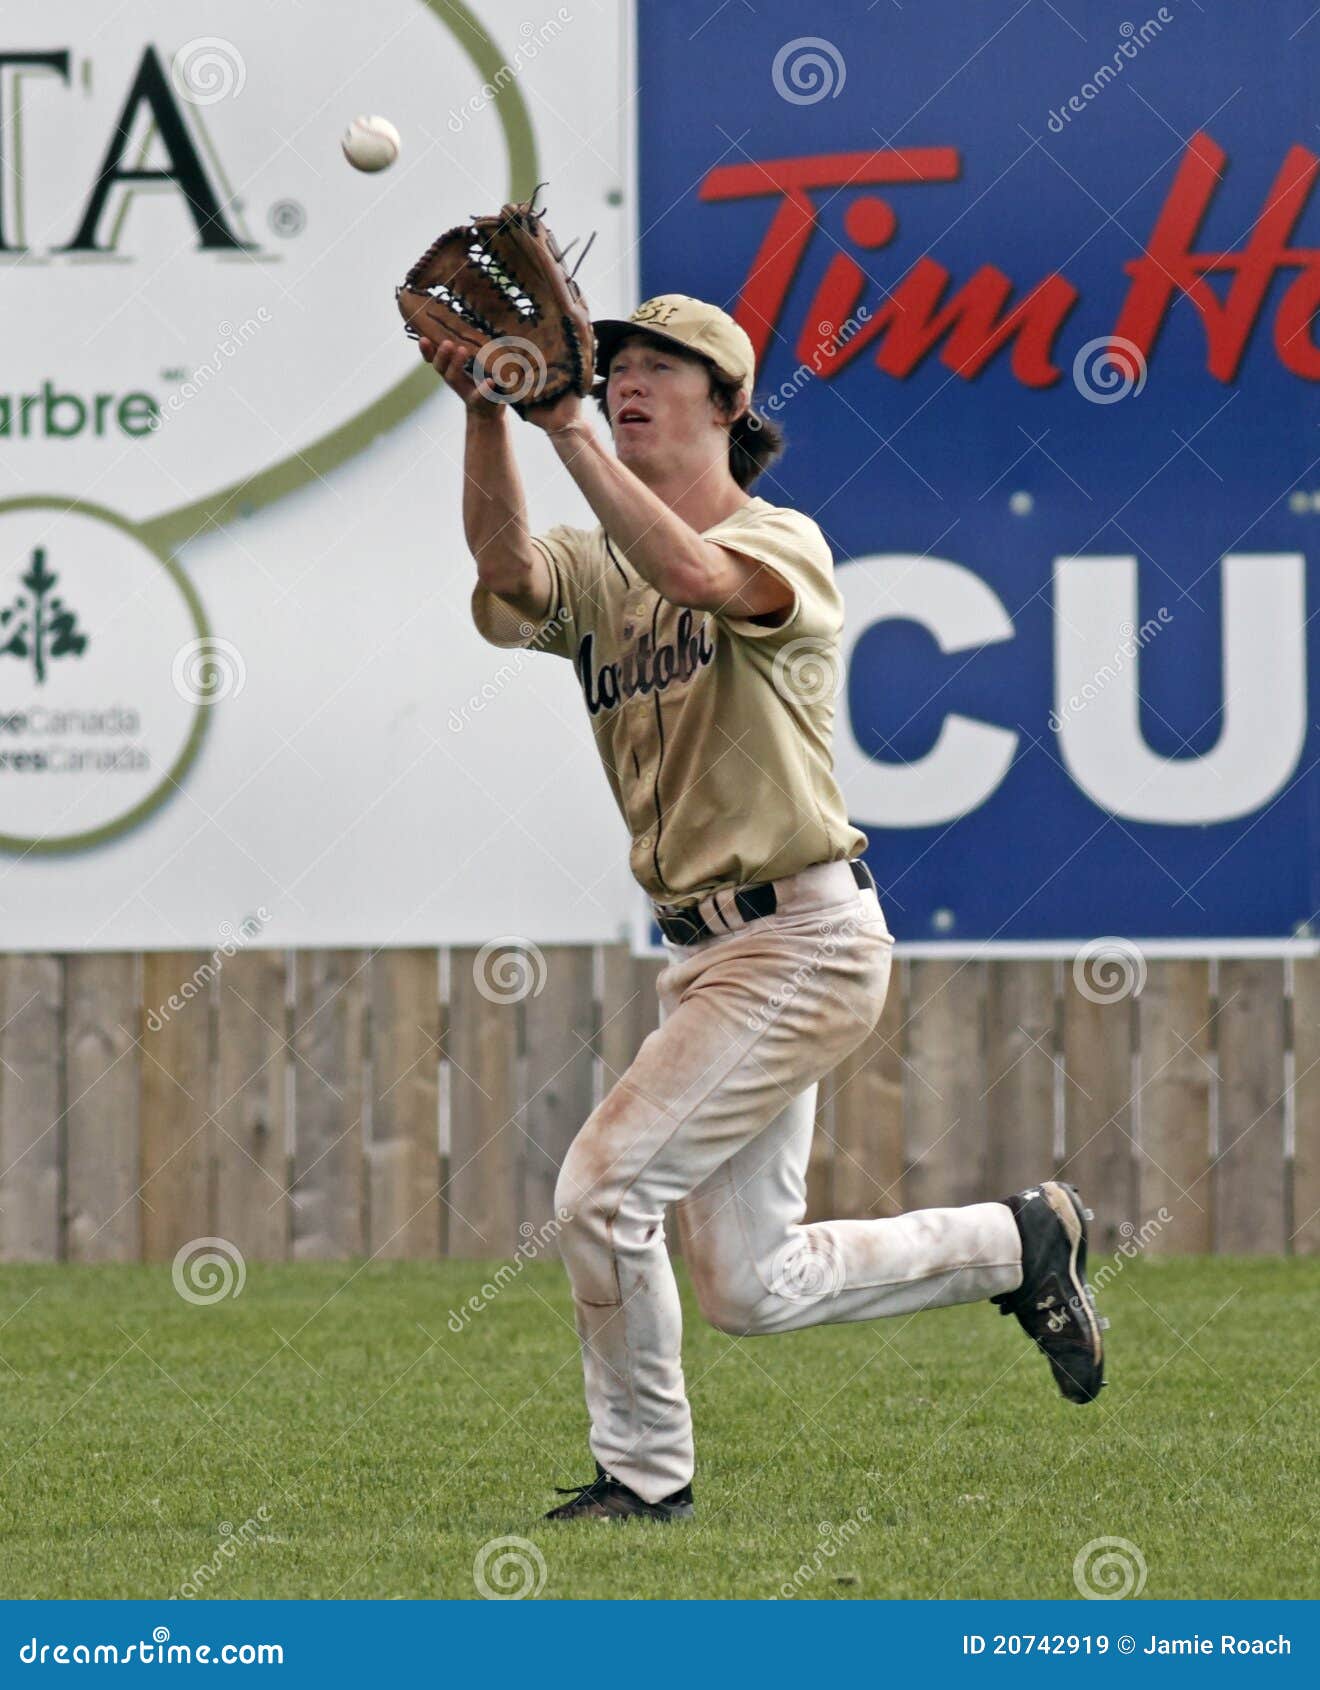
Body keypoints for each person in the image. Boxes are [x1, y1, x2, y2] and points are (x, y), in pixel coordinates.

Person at [420, 294, 1105, 1523]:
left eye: (658, 368)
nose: (626, 380)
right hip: (710, 958)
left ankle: (646, 1477)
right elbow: (509, 571)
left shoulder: (784, 540)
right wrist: (486, 419)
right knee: (749, 1285)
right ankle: (1019, 1243)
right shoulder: (599, 568)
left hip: (802, 938)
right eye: (614, 363)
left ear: (729, 406)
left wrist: (565, 421)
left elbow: (693, 569)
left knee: (599, 1192)